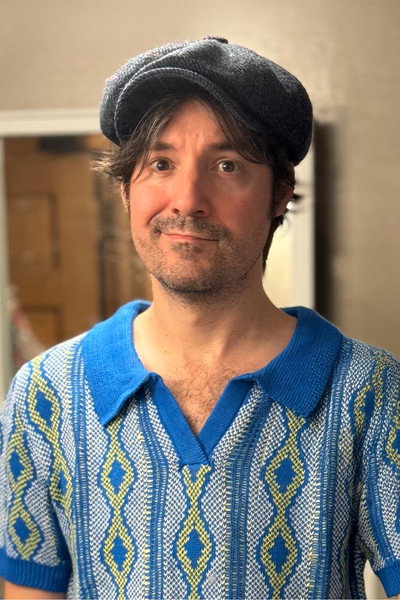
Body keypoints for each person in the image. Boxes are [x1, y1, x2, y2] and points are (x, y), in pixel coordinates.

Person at [0, 37, 399, 600]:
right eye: (161, 163)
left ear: (279, 194)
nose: (187, 199)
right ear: (125, 188)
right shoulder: (44, 393)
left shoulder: (373, 390)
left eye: (227, 165)